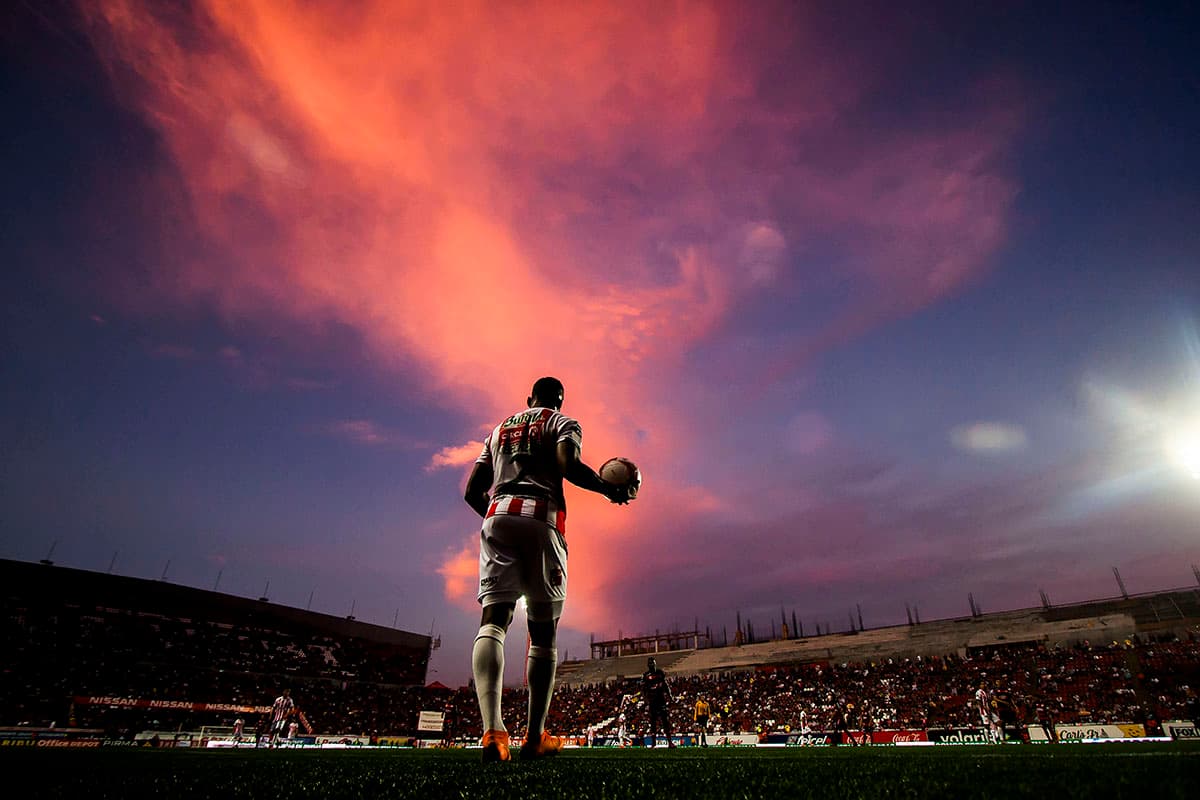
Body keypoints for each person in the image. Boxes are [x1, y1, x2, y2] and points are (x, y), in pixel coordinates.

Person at [463, 376, 633, 762]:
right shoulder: (562, 423)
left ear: (529, 398)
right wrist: (608, 489)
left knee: (494, 619)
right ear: (558, 401)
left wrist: (499, 518)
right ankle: (534, 737)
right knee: (542, 631)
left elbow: (473, 490)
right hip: (542, 516)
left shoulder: (499, 430)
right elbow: (566, 464)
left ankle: (493, 733)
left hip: (497, 515)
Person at [642, 656, 674, 747]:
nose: (652, 664)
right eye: (650, 663)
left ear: (655, 663)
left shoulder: (660, 673)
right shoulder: (646, 675)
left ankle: (670, 742)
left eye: (653, 663)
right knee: (653, 722)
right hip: (652, 702)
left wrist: (670, 695)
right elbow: (643, 689)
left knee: (665, 721)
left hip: (661, 700)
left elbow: (665, 685)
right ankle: (653, 743)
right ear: (648, 665)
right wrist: (646, 701)